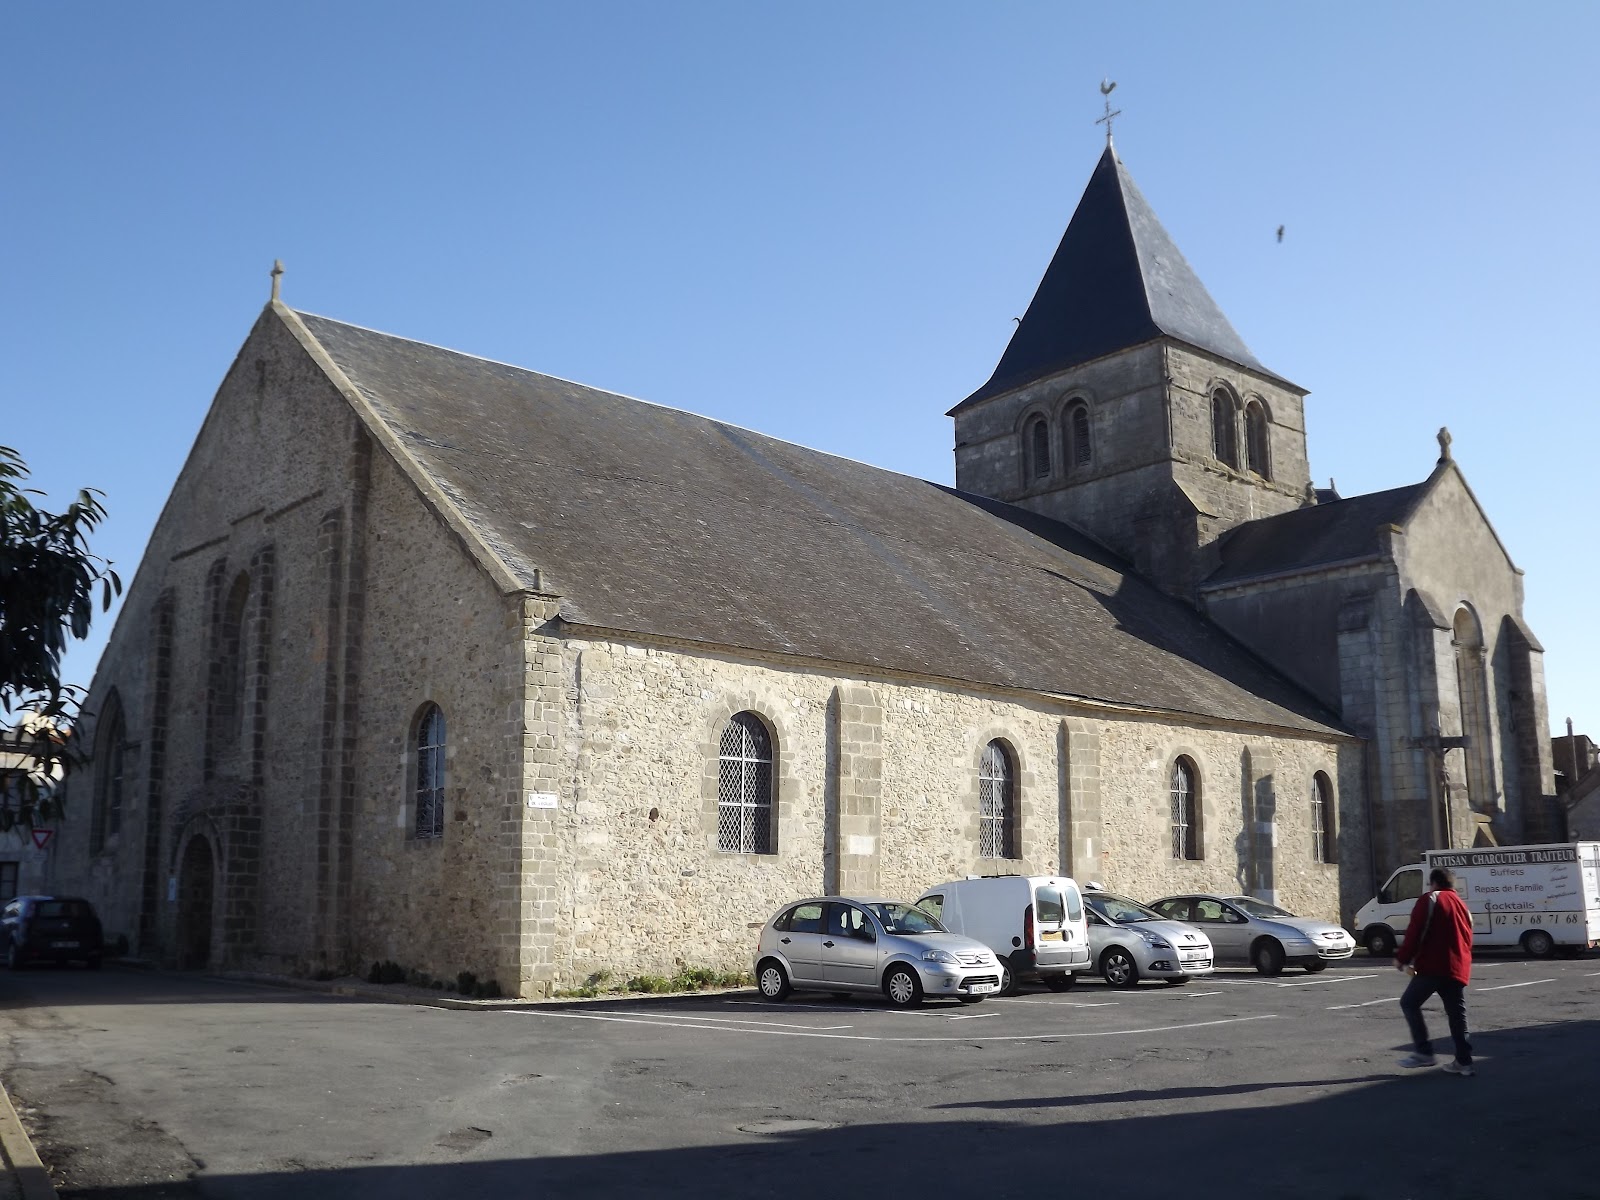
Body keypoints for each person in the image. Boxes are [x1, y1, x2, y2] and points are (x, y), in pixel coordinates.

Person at [1394, 866, 1475, 1076]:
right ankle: (1464, 1061)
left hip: (1434, 965)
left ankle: (1424, 1052)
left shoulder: (1430, 899)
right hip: (1457, 968)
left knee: (1409, 1003)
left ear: (1434, 883)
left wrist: (1402, 959)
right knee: (1457, 1014)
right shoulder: (1462, 905)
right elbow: (1468, 937)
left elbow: (1415, 931)